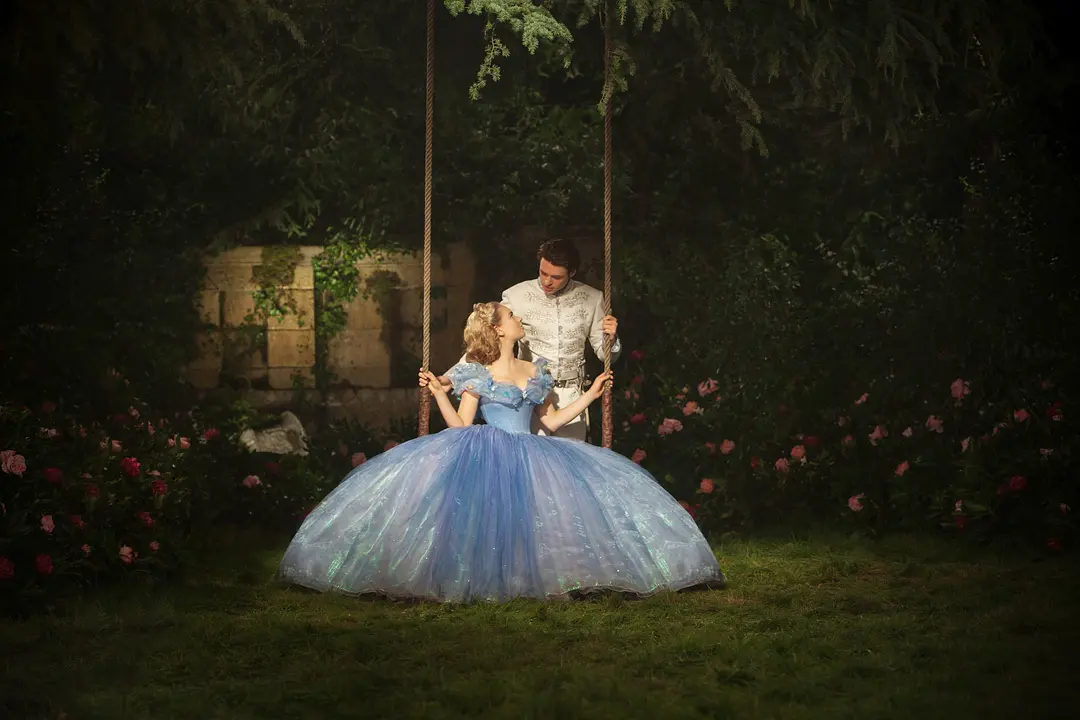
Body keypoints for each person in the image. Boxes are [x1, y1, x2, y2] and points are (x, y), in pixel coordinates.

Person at [277, 302, 725, 603]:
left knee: (542, 518)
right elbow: (461, 426)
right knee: (484, 518)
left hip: (532, 450)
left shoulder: (534, 370)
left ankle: (538, 577)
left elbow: (550, 422)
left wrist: (590, 395)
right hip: (488, 448)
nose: (518, 319)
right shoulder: (476, 372)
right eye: (511, 316)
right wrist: (440, 393)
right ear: (497, 328)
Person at [438, 238, 620, 442]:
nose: (547, 281)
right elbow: (487, 337)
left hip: (571, 393)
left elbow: (606, 355)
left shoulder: (592, 299)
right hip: (527, 395)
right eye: (543, 273)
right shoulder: (517, 295)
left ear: (572, 272)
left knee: (570, 459)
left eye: (556, 277)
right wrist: (450, 378)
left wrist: (610, 339)